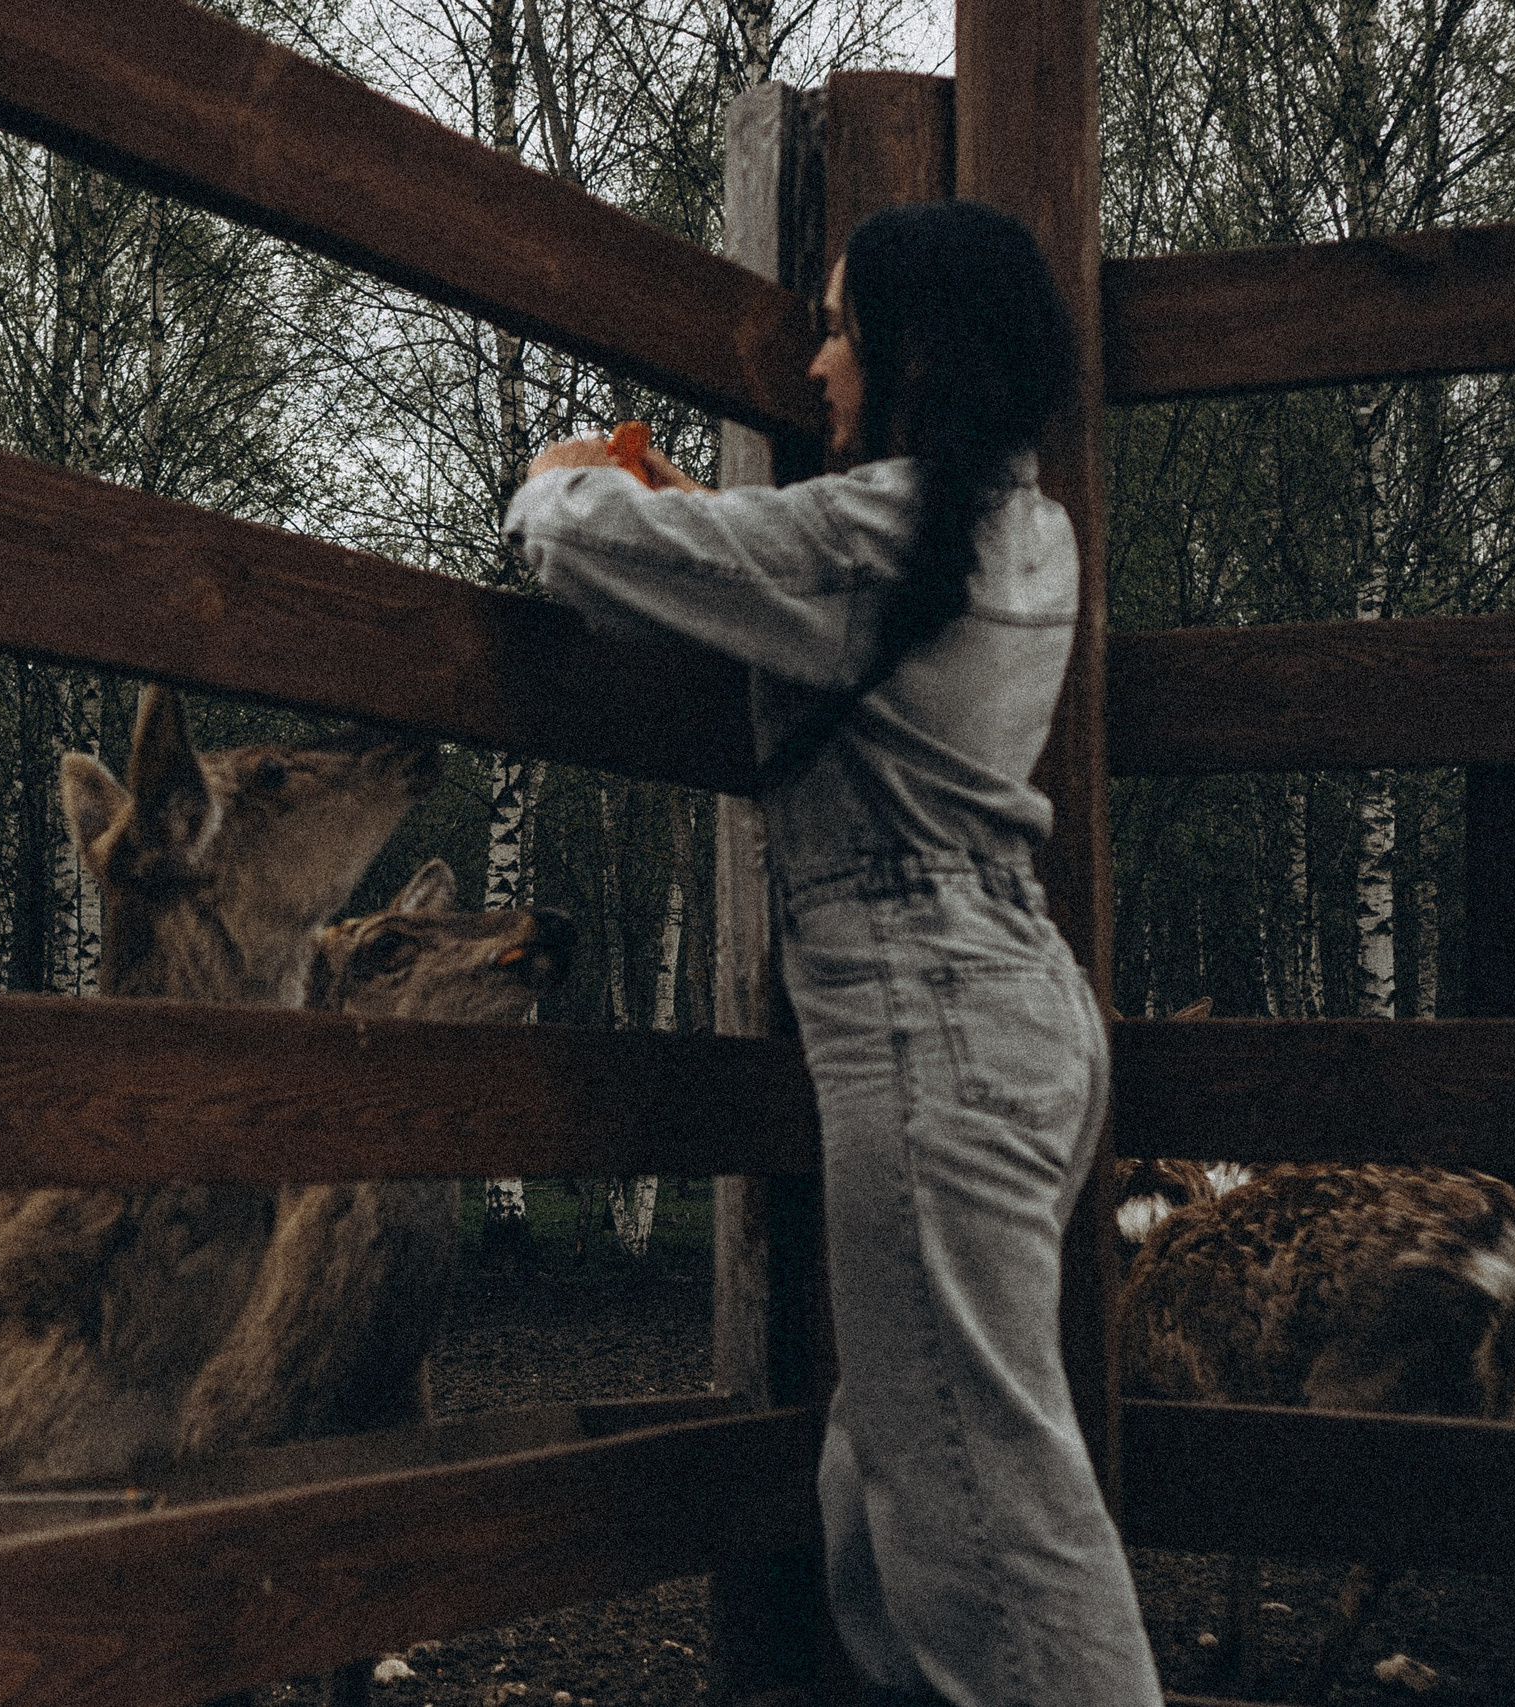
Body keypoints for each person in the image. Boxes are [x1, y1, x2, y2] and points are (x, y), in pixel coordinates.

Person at [501, 200, 1163, 1707]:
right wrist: (711, 530)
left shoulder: (876, 539)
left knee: (986, 1506)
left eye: (841, 324)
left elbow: (569, 537)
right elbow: (812, 596)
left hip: (934, 1028)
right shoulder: (1018, 524)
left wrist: (566, 472)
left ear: (913, 350)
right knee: (894, 1471)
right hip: (1017, 1019)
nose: (815, 362)